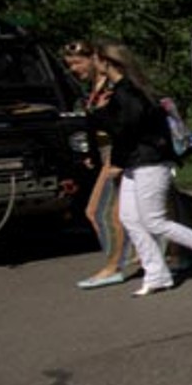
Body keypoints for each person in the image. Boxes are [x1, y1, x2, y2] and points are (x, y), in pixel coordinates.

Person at [87, 41, 192, 295]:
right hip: (136, 163)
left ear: (107, 63)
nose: (93, 65)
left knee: (155, 221)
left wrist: (99, 119)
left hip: (149, 162)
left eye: (95, 60)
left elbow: (126, 130)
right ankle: (156, 274)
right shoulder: (125, 90)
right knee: (130, 218)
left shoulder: (129, 93)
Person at [61, 41, 135, 288]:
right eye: (69, 65)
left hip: (118, 156)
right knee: (135, 213)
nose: (73, 69)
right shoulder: (94, 88)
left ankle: (114, 266)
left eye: (77, 62)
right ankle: (159, 255)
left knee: (101, 212)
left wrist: (116, 158)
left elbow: (119, 123)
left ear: (94, 58)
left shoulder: (113, 87)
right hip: (106, 155)